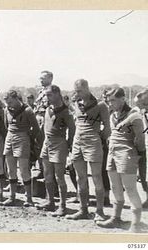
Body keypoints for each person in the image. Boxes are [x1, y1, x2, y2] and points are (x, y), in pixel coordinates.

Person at [96, 87, 145, 233]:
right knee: (115, 187)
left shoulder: (134, 115)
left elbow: (140, 140)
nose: (110, 104)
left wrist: (138, 155)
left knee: (130, 189)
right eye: (108, 101)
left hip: (127, 155)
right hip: (112, 153)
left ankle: (136, 224)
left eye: (113, 101)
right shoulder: (113, 114)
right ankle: (116, 218)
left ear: (123, 99)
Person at [66, 79, 110, 221]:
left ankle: (100, 211)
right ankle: (83, 210)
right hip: (78, 143)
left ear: (87, 88)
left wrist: (96, 138)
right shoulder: (77, 104)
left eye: (79, 91)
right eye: (75, 91)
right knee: (80, 178)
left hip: (93, 142)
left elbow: (107, 129)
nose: (76, 93)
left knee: (97, 177)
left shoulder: (101, 105)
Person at [37, 85, 75, 216]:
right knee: (47, 175)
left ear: (58, 94)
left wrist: (69, 146)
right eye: (46, 95)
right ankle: (50, 201)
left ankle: (63, 206)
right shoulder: (48, 109)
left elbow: (72, 130)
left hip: (59, 143)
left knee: (59, 177)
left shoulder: (66, 111)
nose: (47, 98)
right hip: (47, 143)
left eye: (49, 95)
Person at [3, 90, 42, 207]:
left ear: (16, 99)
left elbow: (36, 129)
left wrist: (29, 140)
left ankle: (29, 198)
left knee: (24, 169)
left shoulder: (27, 111)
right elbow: (6, 125)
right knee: (11, 170)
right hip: (10, 138)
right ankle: (12, 196)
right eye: (6, 102)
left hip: (23, 138)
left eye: (10, 101)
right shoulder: (6, 110)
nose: (8, 104)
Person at [133, 90, 148, 208]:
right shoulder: (141, 113)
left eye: (141, 104)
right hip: (143, 147)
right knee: (144, 175)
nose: (139, 107)